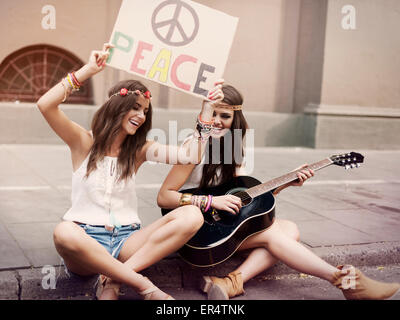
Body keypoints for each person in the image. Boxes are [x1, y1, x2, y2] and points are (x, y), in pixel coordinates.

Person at [157, 84, 400, 300]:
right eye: (214, 114)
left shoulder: (234, 151)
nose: (218, 121)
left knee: (290, 229)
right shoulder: (194, 145)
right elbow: (164, 196)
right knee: (275, 235)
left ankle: (229, 283)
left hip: (220, 228)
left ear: (236, 118)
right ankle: (343, 279)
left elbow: (245, 202)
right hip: (195, 232)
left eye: (225, 115)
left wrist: (287, 182)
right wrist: (213, 201)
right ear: (205, 115)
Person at [36, 43, 225, 300]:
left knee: (192, 216)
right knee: (64, 232)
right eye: (135, 107)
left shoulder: (140, 150)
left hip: (127, 241)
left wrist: (207, 109)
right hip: (86, 241)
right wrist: (88, 70)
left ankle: (114, 277)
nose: (142, 115)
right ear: (117, 107)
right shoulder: (83, 142)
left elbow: (190, 155)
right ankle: (145, 287)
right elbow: (45, 105)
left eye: (145, 111)